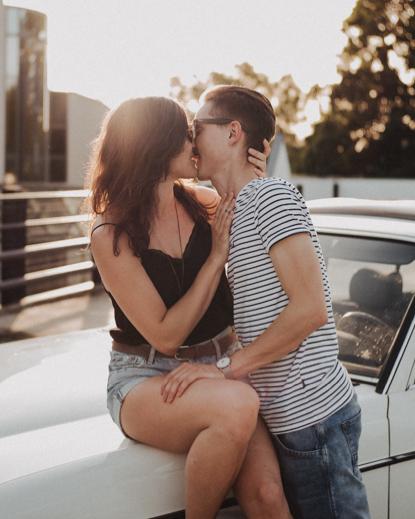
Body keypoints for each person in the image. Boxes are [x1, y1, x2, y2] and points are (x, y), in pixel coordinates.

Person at [163, 85, 371, 519]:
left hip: (315, 419)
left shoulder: (269, 198)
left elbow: (310, 309)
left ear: (233, 132)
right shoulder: (235, 208)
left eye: (197, 128)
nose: (190, 139)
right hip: (286, 421)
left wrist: (223, 371)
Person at [86, 96, 292, 519]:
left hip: (217, 368)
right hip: (144, 376)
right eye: (185, 134)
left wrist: (250, 166)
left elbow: (256, 211)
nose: (194, 141)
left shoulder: (205, 203)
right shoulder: (111, 234)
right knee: (238, 404)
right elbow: (165, 335)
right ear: (156, 148)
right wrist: (216, 257)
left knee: (268, 495)